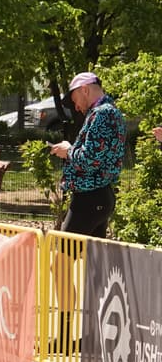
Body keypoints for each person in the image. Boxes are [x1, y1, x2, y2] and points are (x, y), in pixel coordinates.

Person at [50, 72, 126, 238]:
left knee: (62, 260)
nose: (76, 107)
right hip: (98, 196)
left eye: (75, 99)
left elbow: (90, 160)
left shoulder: (102, 114)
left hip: (90, 198)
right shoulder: (109, 112)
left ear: (85, 90)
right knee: (91, 260)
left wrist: (67, 151)